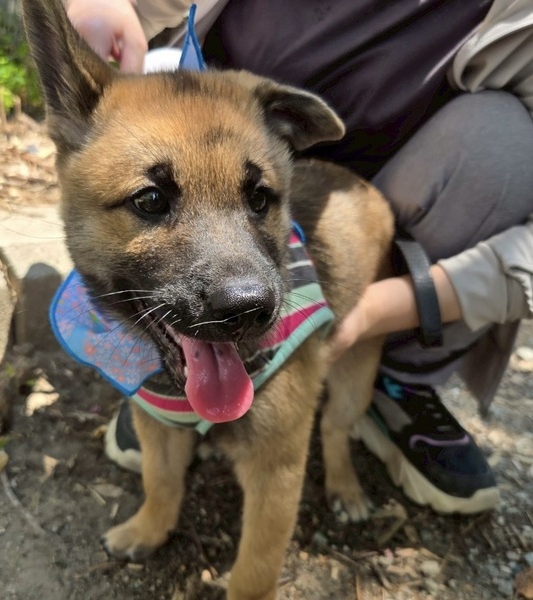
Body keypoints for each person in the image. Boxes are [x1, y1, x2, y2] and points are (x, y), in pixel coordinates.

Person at [64, 0, 533, 515]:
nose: (242, 295)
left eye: (259, 198)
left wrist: (376, 311)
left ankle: (377, 405)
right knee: (167, 340)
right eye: (152, 201)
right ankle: (164, 395)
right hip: (238, 139)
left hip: (383, 190)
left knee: (507, 138)